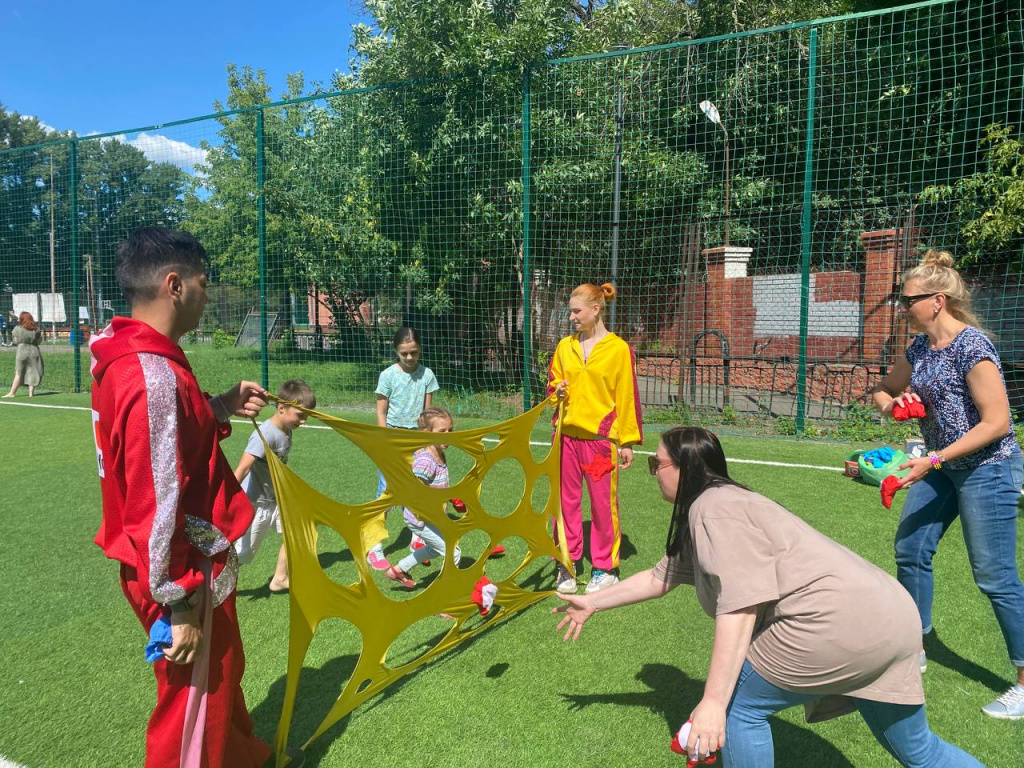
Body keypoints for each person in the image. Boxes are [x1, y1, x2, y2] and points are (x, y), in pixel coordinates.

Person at [553, 426, 982, 767]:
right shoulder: (723, 501)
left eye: (655, 464)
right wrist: (593, 602)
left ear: (682, 467)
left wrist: (713, 703)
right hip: (894, 619)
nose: (652, 473)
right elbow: (661, 576)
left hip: (835, 626)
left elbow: (740, 605)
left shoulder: (711, 509)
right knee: (921, 752)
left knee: (738, 709)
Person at [90, 227, 290, 767]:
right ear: (175, 285)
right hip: (180, 568)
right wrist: (177, 598)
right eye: (204, 282)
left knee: (221, 676)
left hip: (187, 557)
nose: (208, 292)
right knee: (191, 703)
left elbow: (168, 439)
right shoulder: (151, 377)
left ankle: (243, 756)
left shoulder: (128, 354)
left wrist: (219, 405)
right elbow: (154, 502)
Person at [871, 248, 1024, 719]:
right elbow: (881, 389)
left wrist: (931, 459)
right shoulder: (918, 350)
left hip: (988, 468)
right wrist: (896, 407)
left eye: (909, 299)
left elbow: (997, 422)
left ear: (937, 301)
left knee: (995, 577)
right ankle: (913, 646)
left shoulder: (974, 346)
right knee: (911, 550)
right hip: (941, 469)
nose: (903, 307)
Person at [547, 282, 642, 594]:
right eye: (571, 311)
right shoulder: (564, 347)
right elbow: (551, 387)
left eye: (577, 311)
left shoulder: (619, 350)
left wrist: (626, 441)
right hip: (565, 439)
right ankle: (566, 564)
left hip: (600, 442)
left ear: (595, 309)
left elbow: (626, 396)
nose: (572, 317)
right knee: (564, 504)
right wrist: (556, 391)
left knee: (603, 505)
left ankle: (605, 568)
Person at [364, 327, 439, 571]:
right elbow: (380, 410)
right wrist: (384, 438)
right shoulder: (387, 375)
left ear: (420, 351)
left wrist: (428, 441)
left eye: (413, 353)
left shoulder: (427, 375)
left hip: (417, 440)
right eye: (404, 353)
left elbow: (428, 413)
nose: (409, 358)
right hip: (393, 438)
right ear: (396, 351)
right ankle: (374, 546)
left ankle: (419, 538)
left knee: (417, 490)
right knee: (387, 494)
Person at [233, 378, 316, 594]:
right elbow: (243, 468)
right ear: (281, 408)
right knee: (243, 555)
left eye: (306, 415)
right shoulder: (265, 434)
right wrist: (227, 499)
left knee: (297, 531)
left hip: (277, 499)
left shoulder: (287, 430)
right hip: (257, 502)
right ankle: (214, 584)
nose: (304, 420)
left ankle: (279, 579)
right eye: (300, 415)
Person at [384, 406, 461, 588]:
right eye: (442, 431)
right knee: (454, 553)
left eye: (450, 430)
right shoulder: (426, 461)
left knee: (435, 550)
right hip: (419, 519)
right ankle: (443, 597)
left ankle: (398, 570)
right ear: (427, 433)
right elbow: (413, 490)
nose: (448, 435)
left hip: (432, 516)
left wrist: (449, 497)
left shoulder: (439, 453)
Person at [3, 311, 43, 397]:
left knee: (18, 372)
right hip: (34, 350)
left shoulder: (18, 328)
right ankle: (31, 393)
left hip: (22, 350)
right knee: (33, 371)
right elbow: (39, 341)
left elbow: (16, 341)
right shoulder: (36, 329)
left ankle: (12, 392)